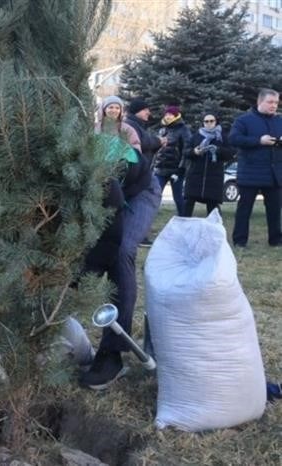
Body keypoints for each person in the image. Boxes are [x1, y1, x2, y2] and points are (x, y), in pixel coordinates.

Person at [80, 102, 162, 390]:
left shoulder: (103, 161)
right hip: (111, 191)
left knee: (122, 252)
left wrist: (88, 271)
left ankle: (112, 353)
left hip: (139, 190)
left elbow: (110, 236)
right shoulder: (64, 162)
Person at [229, 88, 282, 247]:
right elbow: (234, 138)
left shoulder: (279, 121)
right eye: (270, 102)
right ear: (260, 102)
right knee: (244, 210)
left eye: (276, 102)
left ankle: (276, 240)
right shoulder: (244, 120)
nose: (274, 105)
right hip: (251, 173)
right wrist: (259, 141)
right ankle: (240, 241)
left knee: (275, 210)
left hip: (274, 174)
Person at [124, 97, 167, 247]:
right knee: (140, 203)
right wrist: (158, 141)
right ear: (137, 111)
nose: (149, 112)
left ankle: (139, 234)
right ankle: (138, 234)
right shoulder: (130, 125)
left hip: (141, 172)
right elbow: (142, 142)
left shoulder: (138, 125)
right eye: (145, 109)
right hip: (136, 174)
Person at [183, 113, 235, 216]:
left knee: (213, 209)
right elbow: (185, 152)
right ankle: (183, 227)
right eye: (206, 121)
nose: (209, 123)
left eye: (211, 121)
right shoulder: (196, 136)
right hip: (195, 177)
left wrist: (218, 150)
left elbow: (231, 153)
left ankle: (215, 230)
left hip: (214, 178)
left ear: (216, 122)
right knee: (187, 205)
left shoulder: (222, 137)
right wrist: (194, 152)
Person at [153, 105, 191, 216]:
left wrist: (181, 169)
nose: (168, 116)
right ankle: (150, 217)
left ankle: (184, 218)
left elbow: (186, 150)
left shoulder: (183, 130)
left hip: (176, 170)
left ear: (176, 116)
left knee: (178, 197)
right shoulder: (162, 129)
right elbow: (158, 150)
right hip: (160, 169)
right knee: (155, 194)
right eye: (167, 114)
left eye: (170, 114)